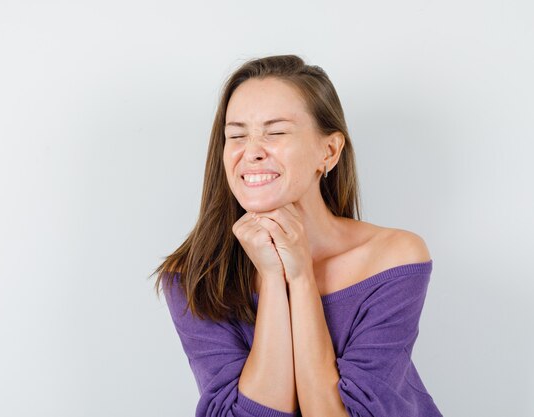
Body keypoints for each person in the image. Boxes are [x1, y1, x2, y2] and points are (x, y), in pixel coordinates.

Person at [151, 54, 443, 417]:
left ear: (329, 151)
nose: (252, 152)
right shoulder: (194, 275)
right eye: (236, 135)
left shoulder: (394, 257)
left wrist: (301, 275)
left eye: (275, 132)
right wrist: (275, 278)